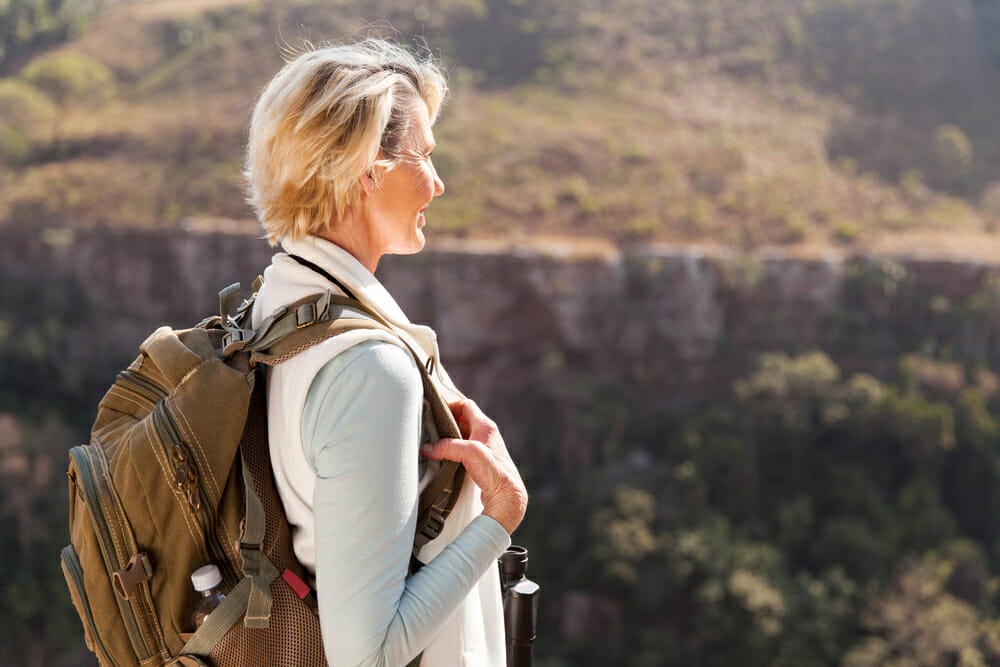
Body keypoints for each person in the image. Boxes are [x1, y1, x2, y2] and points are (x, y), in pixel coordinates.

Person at [244, 38, 528, 666]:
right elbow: (367, 654)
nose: (439, 182)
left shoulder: (276, 302)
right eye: (424, 156)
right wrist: (501, 516)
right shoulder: (367, 370)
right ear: (367, 170)